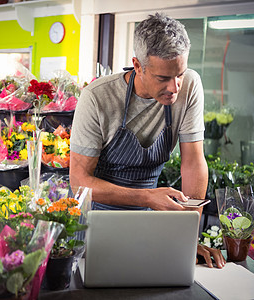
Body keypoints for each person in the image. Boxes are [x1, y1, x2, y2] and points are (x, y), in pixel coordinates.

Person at [69, 13, 225, 268]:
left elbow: (194, 163)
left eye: (180, 74)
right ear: (138, 66)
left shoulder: (190, 86)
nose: (175, 87)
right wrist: (146, 197)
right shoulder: (97, 97)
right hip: (93, 221)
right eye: (163, 78)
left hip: (146, 222)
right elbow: (79, 183)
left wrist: (188, 236)